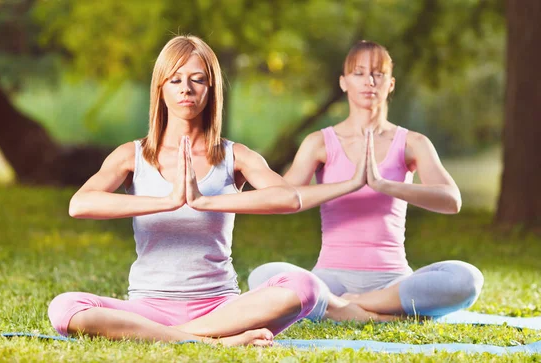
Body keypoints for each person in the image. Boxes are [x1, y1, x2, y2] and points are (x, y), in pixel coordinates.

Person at [47, 35, 369, 346]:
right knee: (64, 308)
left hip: (221, 309)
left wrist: (204, 200)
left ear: (210, 89)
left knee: (306, 286)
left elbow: (290, 197)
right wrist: (168, 201)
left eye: (197, 79)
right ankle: (212, 342)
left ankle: (182, 335)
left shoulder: (234, 155)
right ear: (160, 89)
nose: (186, 88)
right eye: (175, 80)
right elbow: (80, 204)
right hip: (149, 308)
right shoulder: (132, 155)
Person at [248, 40, 484, 323]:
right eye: (359, 73)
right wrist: (349, 184)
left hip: (393, 283)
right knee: (262, 276)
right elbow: (281, 200)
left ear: (391, 84)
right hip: (330, 279)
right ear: (343, 82)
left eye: (378, 73)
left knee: (467, 279)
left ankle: (349, 308)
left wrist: (383, 184)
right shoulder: (319, 142)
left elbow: (452, 200)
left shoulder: (413, 142)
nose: (369, 81)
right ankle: (378, 317)